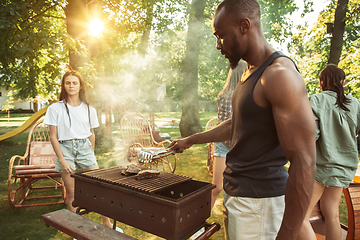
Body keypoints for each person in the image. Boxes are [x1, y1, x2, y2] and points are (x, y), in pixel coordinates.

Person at [167, 0, 317, 239]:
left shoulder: (278, 75)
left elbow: (305, 162)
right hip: (241, 196)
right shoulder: (250, 72)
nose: (218, 45)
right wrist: (191, 139)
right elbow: (236, 125)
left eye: (221, 36)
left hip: (259, 204)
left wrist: (287, 234)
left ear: (244, 26)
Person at [43, 67, 121, 232]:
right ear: (64, 86)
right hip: (64, 148)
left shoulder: (89, 109)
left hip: (85, 147)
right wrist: (62, 160)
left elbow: (92, 134)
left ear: (80, 86)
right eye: (68, 83)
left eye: (74, 83)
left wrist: (91, 153)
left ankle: (106, 223)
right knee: (71, 193)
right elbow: (53, 137)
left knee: (99, 187)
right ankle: (76, 229)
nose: (71, 86)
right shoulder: (55, 108)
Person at [298, 64, 360, 240]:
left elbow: (311, 134)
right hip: (343, 167)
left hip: (320, 167)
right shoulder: (355, 103)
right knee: (332, 214)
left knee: (301, 217)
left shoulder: (315, 100)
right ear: (343, 81)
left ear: (321, 82)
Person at [211, 61, 246, 209]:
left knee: (232, 189)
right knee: (217, 187)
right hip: (226, 145)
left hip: (235, 145)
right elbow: (227, 125)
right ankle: (199, 222)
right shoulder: (228, 96)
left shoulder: (238, 94)